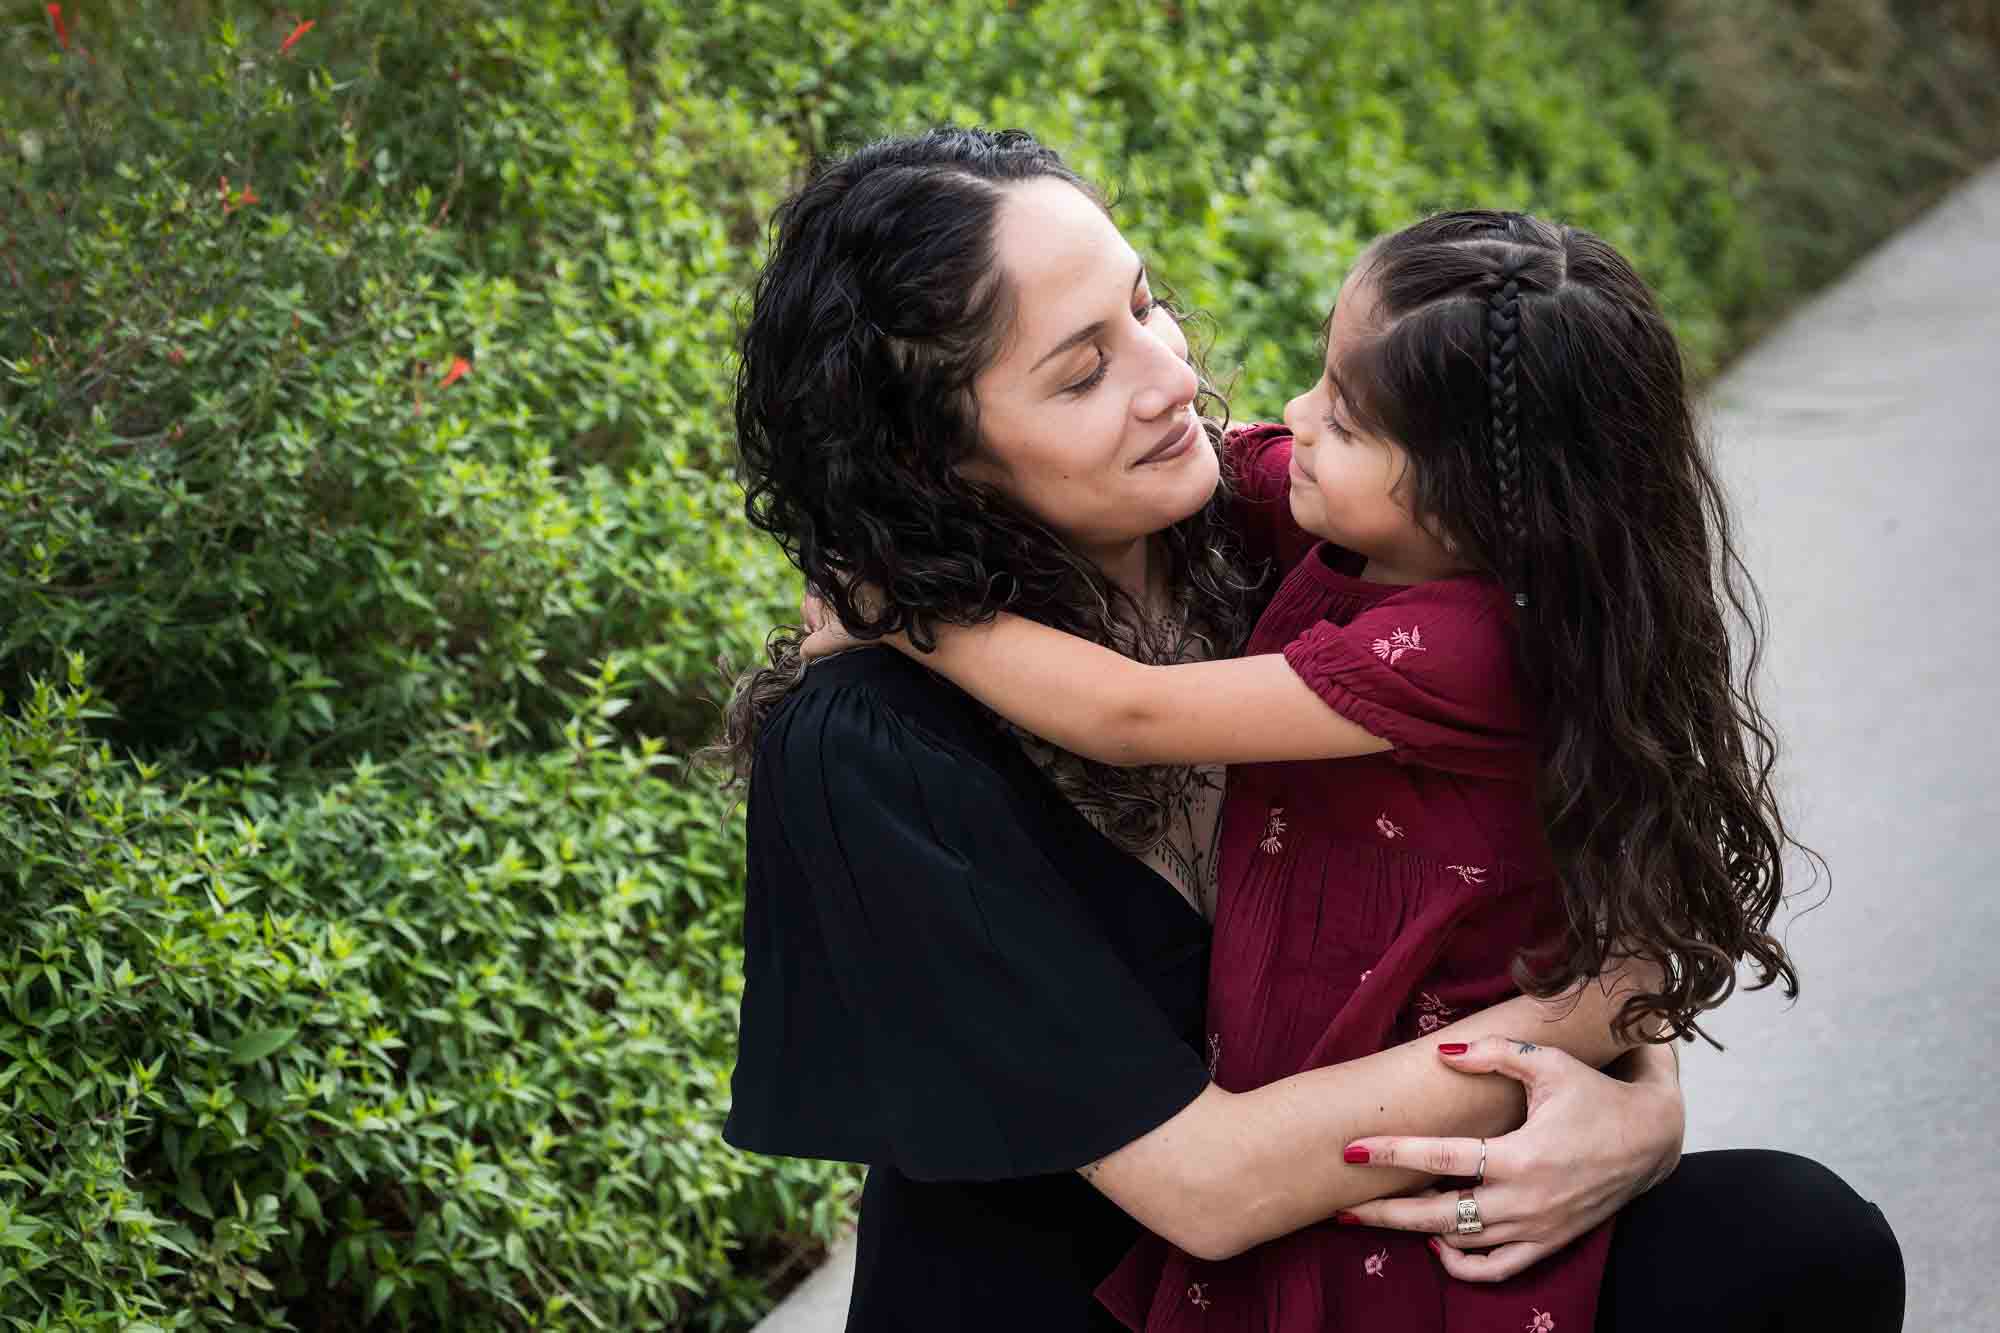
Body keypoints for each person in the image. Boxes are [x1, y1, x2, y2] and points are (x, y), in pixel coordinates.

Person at [720, 128, 1902, 1332]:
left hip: (1360, 1258)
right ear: (925, 453)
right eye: (1082, 372)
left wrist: (1634, 1112)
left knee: (1795, 1242)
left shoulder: (1287, 535)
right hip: (1105, 1298)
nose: (1170, 374)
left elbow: (1590, 879)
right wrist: (1582, 1030)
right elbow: (1207, 1187)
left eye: (1146, 305)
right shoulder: (870, 744)